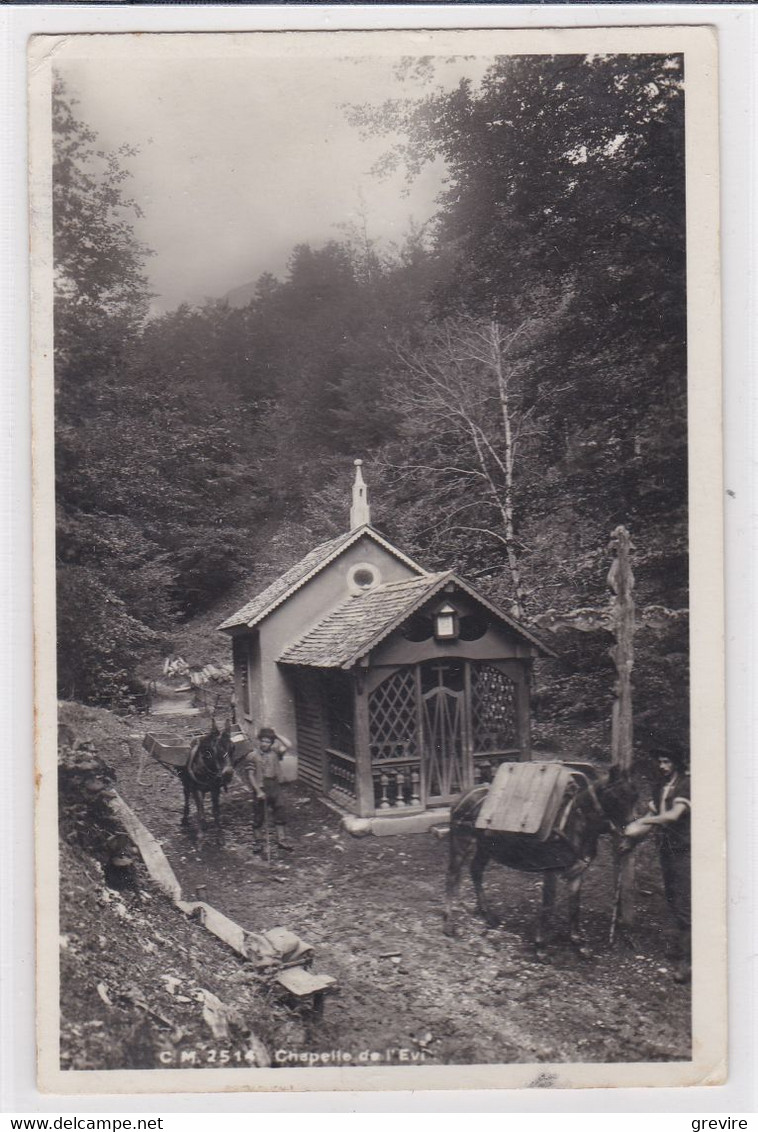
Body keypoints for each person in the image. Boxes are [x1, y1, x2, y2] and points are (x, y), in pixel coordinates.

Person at [624, 747, 691, 983]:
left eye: (667, 762)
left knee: (685, 904)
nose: (662, 766)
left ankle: (687, 963)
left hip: (685, 849)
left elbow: (673, 816)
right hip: (667, 849)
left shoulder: (685, 784)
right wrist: (630, 833)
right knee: (672, 899)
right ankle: (679, 949)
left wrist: (647, 820)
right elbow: (648, 815)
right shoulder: (661, 786)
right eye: (660, 761)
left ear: (676, 763)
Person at [239, 727, 294, 852]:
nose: (264, 744)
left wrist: (276, 734)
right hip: (261, 787)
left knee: (280, 811)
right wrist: (258, 791)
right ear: (259, 741)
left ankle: (282, 840)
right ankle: (258, 842)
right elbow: (250, 775)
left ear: (271, 743)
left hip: (275, 786)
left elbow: (289, 745)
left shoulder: (275, 753)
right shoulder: (252, 755)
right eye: (262, 741)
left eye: (268, 741)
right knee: (259, 815)